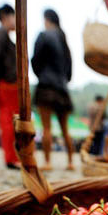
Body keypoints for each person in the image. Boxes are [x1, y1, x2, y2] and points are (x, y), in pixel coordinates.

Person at [31, 9, 74, 170]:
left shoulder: (43, 35)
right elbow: (70, 67)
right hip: (62, 88)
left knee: (46, 127)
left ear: (47, 20)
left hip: (46, 85)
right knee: (65, 129)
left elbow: (35, 60)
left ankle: (48, 162)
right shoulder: (64, 40)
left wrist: (41, 74)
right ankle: (70, 162)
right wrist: (64, 80)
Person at [0, 4, 20, 169]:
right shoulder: (0, 34)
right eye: (13, 17)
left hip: (10, 85)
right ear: (5, 16)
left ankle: (14, 156)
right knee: (8, 122)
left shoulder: (4, 35)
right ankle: (10, 158)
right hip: (5, 85)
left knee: (11, 121)